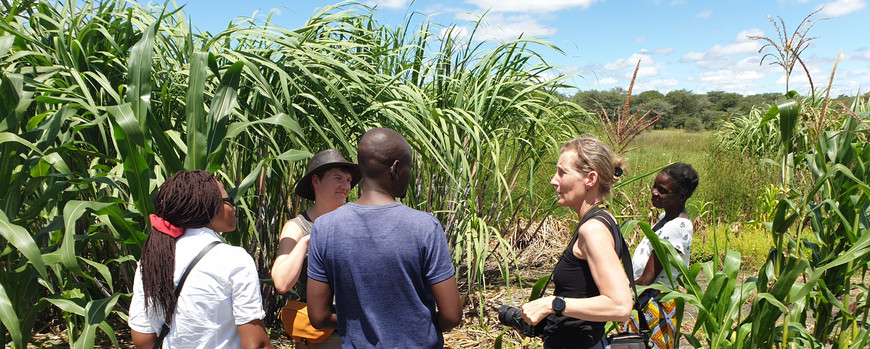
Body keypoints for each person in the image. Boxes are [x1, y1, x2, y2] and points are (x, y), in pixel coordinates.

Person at [306, 127, 463, 348]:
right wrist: (414, 326)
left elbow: (318, 317)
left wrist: (360, 325)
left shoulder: (324, 228)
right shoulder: (424, 227)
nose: (410, 175)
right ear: (396, 168)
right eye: (409, 168)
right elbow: (452, 315)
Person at [128, 170, 271, 349]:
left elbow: (142, 338)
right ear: (210, 206)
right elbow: (256, 344)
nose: (233, 208)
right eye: (230, 201)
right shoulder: (234, 260)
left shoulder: (151, 261)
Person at [520, 137, 633, 349]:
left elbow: (620, 306)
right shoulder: (604, 219)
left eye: (562, 172)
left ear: (590, 179)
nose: (554, 180)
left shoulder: (593, 229)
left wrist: (552, 304)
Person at [270, 149, 361, 348]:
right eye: (338, 178)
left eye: (348, 180)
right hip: (317, 335)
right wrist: (306, 242)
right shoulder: (297, 227)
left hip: (357, 330)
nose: (345, 186)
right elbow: (281, 283)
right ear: (316, 181)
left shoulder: (357, 222)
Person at [623, 163, 699, 349]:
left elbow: (648, 279)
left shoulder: (676, 228)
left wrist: (619, 292)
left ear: (682, 196)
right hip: (644, 298)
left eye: (662, 190)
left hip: (654, 302)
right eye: (655, 186)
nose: (654, 191)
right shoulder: (665, 219)